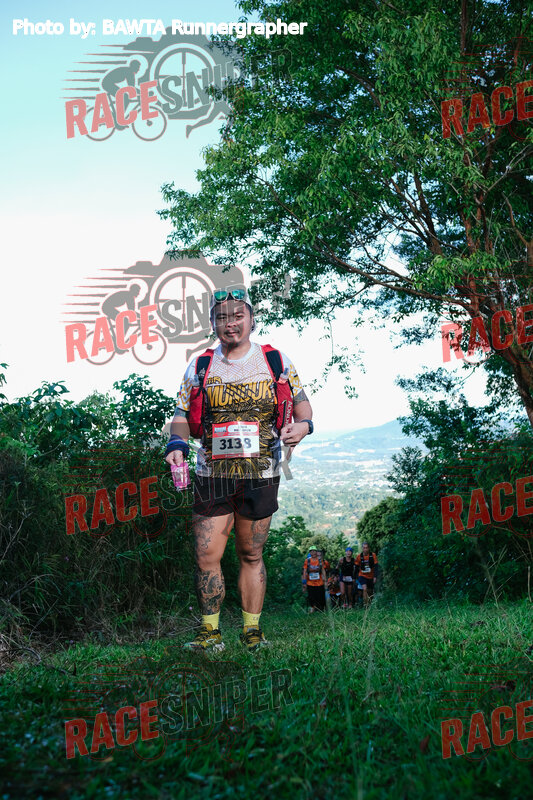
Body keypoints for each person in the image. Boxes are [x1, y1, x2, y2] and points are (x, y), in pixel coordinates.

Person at [165, 287, 313, 652]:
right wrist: (176, 444)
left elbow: (302, 405)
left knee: (251, 554)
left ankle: (251, 632)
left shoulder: (275, 361)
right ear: (213, 323)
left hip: (260, 474)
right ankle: (210, 633)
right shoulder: (200, 365)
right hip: (211, 475)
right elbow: (181, 413)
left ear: (251, 319)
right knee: (206, 556)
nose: (230, 324)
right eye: (222, 318)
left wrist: (304, 426)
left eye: (237, 316)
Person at [302, 547, 326, 612]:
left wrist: (325, 580)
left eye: (314, 551)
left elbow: (323, 570)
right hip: (310, 582)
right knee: (311, 596)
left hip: (319, 582)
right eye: (311, 551)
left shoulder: (320, 561)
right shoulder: (307, 561)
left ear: (316, 552)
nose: (313, 552)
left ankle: (321, 609)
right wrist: (304, 582)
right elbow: (304, 571)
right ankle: (312, 608)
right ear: (309, 552)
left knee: (320, 596)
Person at [355, 542, 379, 607]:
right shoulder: (359, 556)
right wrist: (355, 578)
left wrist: (375, 577)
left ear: (369, 548)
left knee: (370, 592)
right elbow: (356, 567)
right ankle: (365, 605)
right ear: (362, 548)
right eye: (364, 548)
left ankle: (369, 604)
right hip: (362, 575)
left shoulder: (373, 555)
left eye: (366, 548)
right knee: (365, 589)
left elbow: (376, 566)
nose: (365, 549)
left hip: (371, 576)